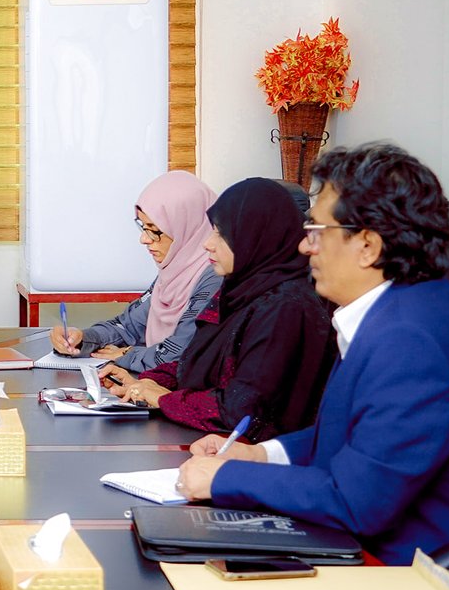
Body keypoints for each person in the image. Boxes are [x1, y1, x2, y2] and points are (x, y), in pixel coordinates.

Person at [176, 144, 449, 590]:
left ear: (367, 245)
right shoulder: (396, 312)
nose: (304, 247)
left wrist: (223, 478)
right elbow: (356, 431)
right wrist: (261, 455)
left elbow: (357, 502)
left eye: (316, 231)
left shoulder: (409, 341)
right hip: (399, 564)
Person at [100, 177, 335, 440]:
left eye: (221, 234)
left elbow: (242, 409)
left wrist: (164, 399)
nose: (207, 244)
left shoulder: (284, 309)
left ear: (254, 238)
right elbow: (196, 361)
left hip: (258, 454)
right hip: (210, 445)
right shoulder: (239, 291)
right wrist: (150, 381)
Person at [49, 169, 220, 373]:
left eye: (154, 231)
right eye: (143, 227)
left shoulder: (215, 278)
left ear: (187, 226)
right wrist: (82, 339)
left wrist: (127, 354)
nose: (144, 239)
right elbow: (127, 326)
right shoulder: (174, 273)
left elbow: (181, 354)